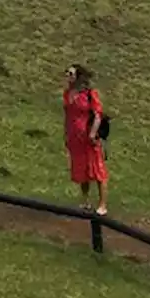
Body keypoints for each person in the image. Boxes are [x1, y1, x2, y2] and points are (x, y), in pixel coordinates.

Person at [63, 64, 108, 215]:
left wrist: (93, 133)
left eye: (70, 73)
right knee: (82, 169)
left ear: (78, 76)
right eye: (67, 73)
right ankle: (85, 200)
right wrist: (66, 135)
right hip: (75, 137)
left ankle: (102, 204)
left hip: (88, 136)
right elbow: (68, 116)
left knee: (97, 169)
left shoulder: (89, 93)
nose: (67, 76)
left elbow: (97, 114)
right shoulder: (68, 93)